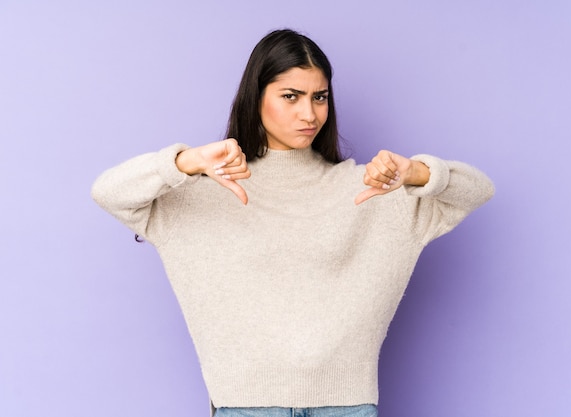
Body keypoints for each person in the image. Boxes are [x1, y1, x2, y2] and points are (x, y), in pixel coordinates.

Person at [91, 28, 495, 417]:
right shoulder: (200, 193)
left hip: (348, 406)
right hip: (244, 406)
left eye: (320, 97)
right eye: (291, 96)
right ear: (256, 97)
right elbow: (109, 191)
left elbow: (477, 190)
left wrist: (417, 174)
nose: (309, 113)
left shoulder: (371, 190)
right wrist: (186, 161)